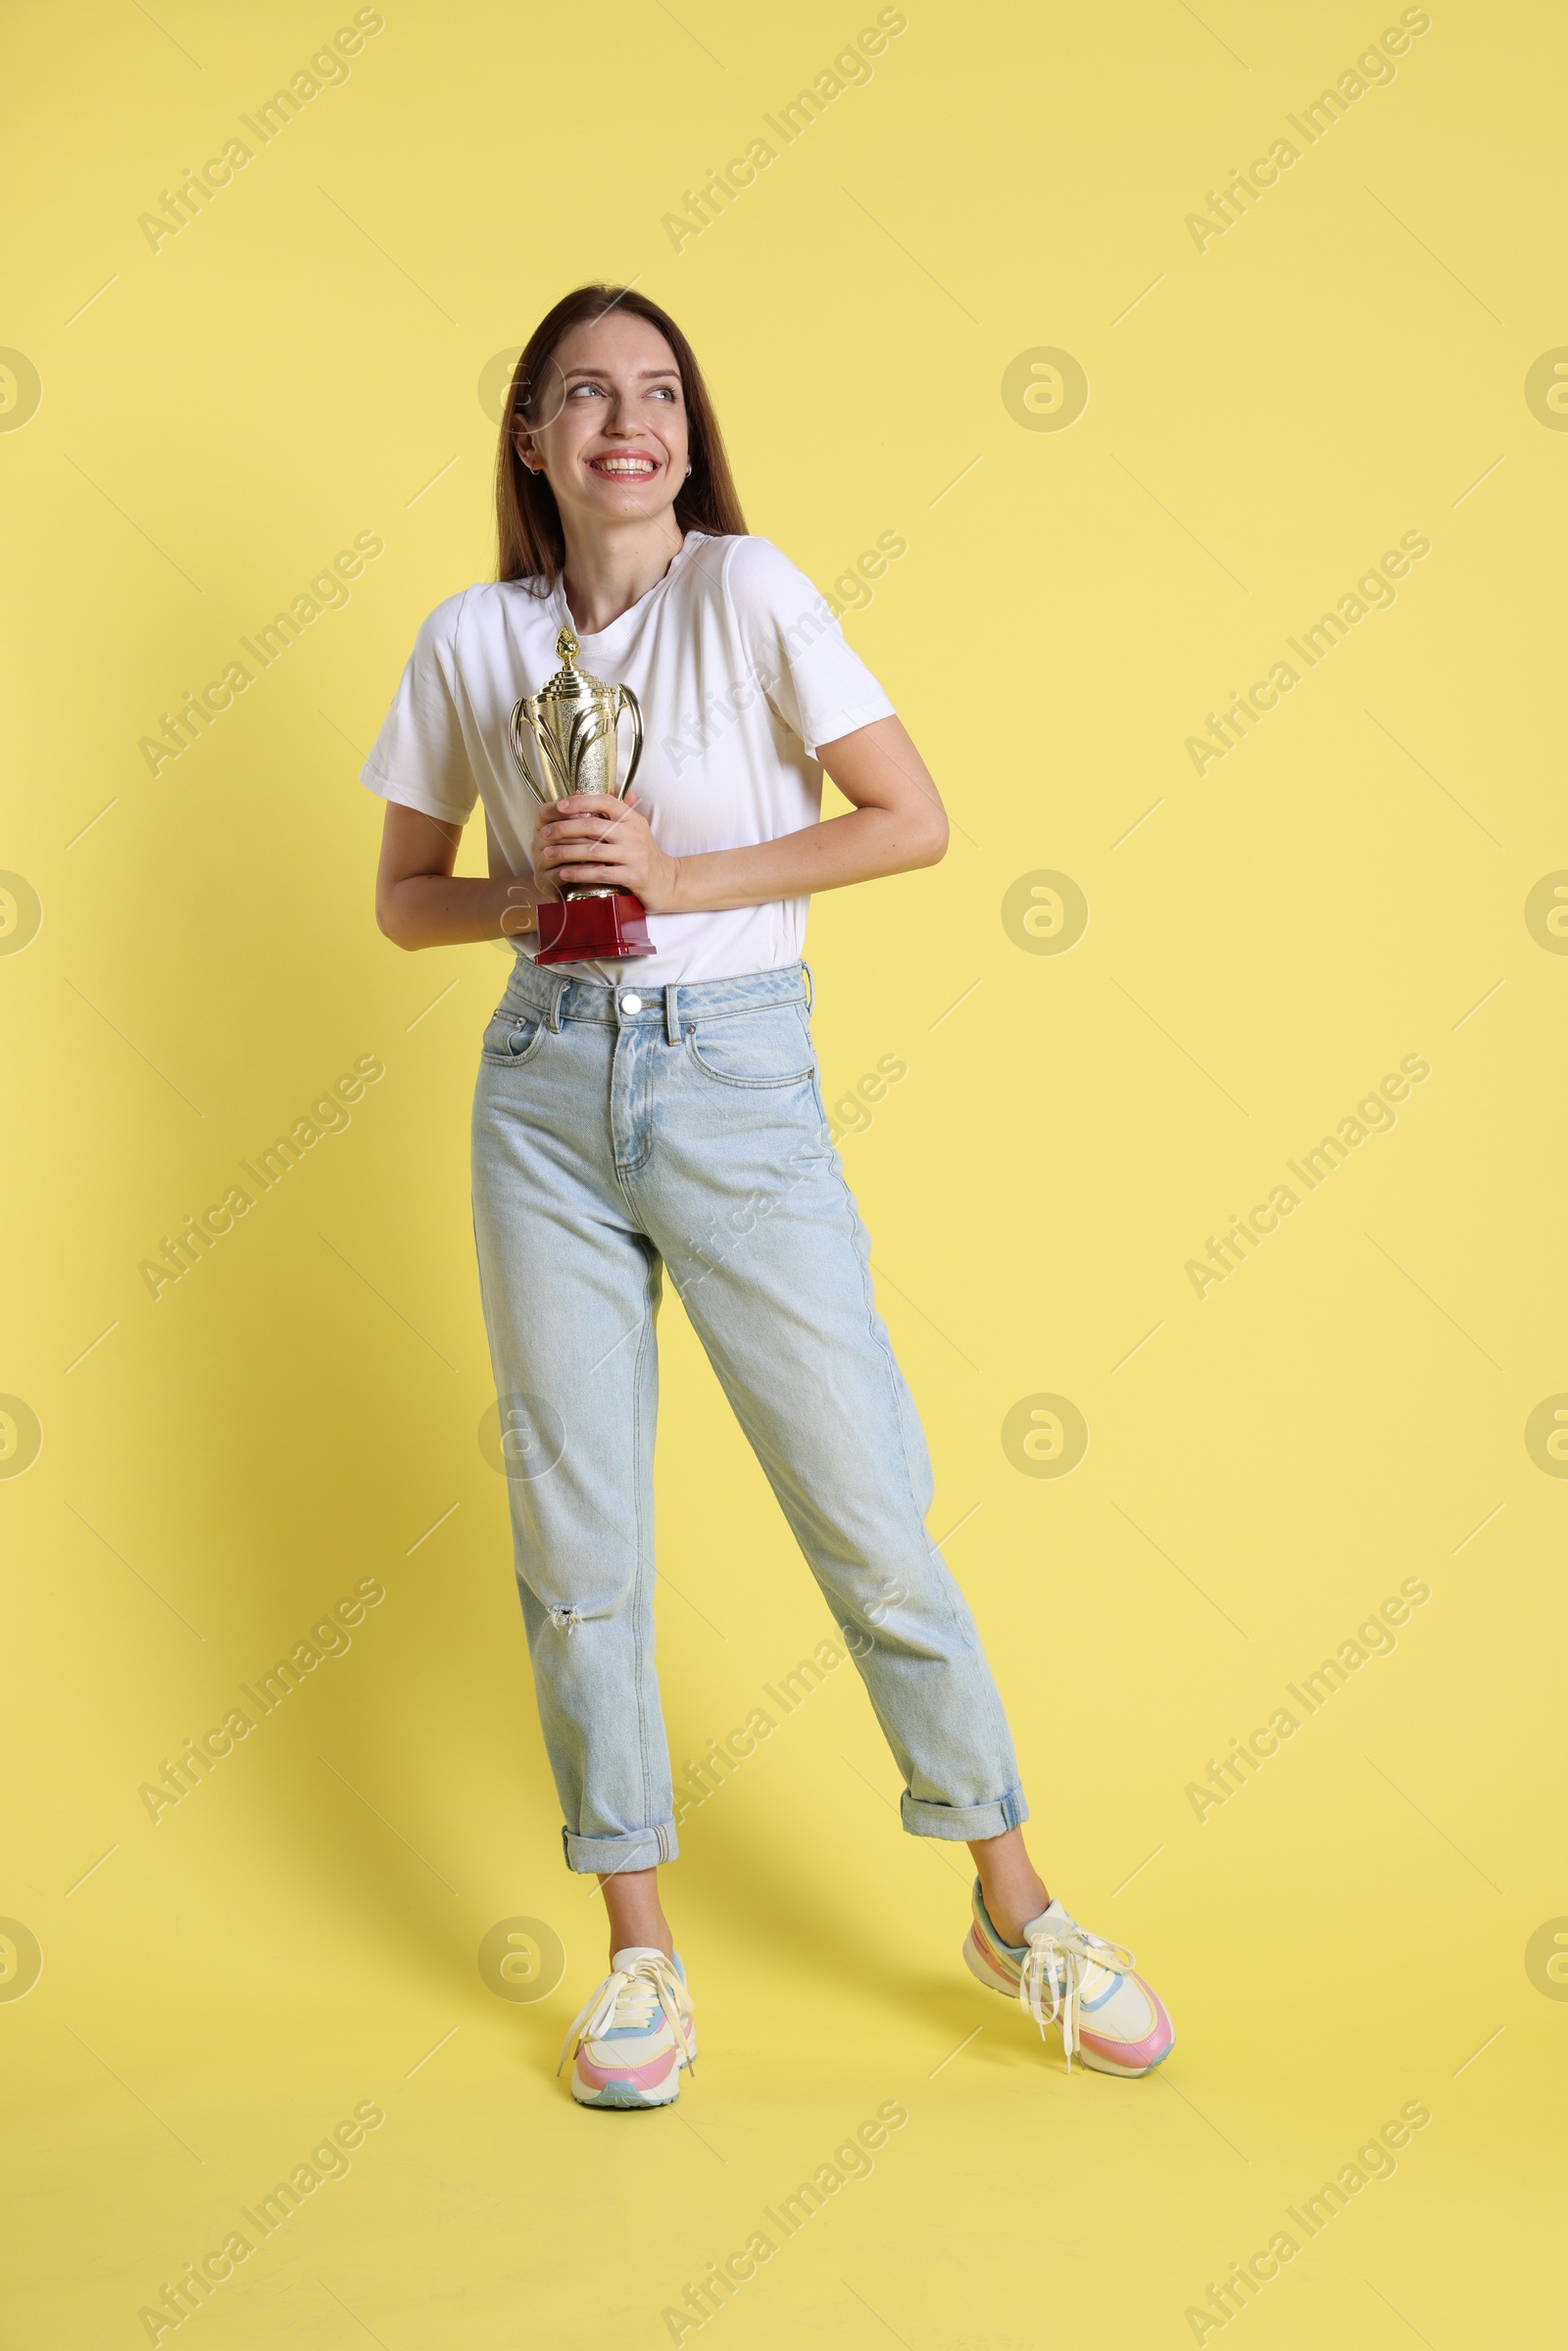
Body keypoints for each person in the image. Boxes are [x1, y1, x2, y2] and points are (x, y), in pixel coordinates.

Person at [364, 284, 1173, 2107]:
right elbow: (406, 893)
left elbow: (911, 816)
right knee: (578, 1541)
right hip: (540, 1090)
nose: (624, 423)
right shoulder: (471, 640)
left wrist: (675, 869)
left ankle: (1013, 1904)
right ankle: (640, 1958)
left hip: (734, 1073)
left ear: (687, 431)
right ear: (532, 438)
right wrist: (528, 898)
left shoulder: (752, 590)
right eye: (584, 394)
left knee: (866, 1503)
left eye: (656, 393)